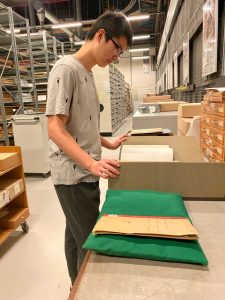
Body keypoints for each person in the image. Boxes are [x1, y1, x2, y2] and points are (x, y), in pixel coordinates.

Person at [45, 11, 133, 285]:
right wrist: (91, 163)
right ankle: (88, 288)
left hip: (82, 170)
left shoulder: (86, 73)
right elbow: (55, 129)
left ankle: (75, 285)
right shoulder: (66, 70)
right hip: (74, 175)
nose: (117, 56)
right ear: (100, 35)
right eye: (117, 48)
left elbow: (83, 125)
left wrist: (108, 142)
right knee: (89, 241)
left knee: (74, 235)